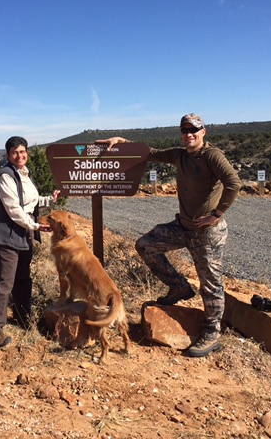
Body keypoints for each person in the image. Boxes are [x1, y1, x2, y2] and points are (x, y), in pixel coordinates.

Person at [97, 113, 241, 357]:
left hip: (207, 233)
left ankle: (211, 332)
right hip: (183, 227)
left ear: (203, 131)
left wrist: (216, 214)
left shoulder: (212, 156)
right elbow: (149, 152)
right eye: (185, 130)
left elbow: (233, 183)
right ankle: (180, 288)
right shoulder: (179, 154)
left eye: (194, 130)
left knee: (211, 283)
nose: (189, 134)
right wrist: (123, 141)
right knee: (146, 245)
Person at [0, 136, 60, 348]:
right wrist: (35, 226)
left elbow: (30, 201)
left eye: (22, 151)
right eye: (15, 152)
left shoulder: (25, 174)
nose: (20, 155)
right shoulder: (5, 176)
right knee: (5, 282)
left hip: (23, 233)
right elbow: (14, 210)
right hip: (7, 235)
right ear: (8, 155)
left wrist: (50, 199)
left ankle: (22, 317)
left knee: (23, 278)